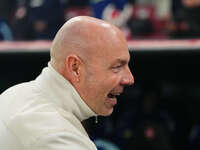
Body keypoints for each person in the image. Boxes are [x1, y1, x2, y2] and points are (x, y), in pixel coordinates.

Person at [0, 16, 134, 150]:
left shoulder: (14, 94)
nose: (130, 79)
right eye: (117, 67)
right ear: (75, 68)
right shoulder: (58, 138)